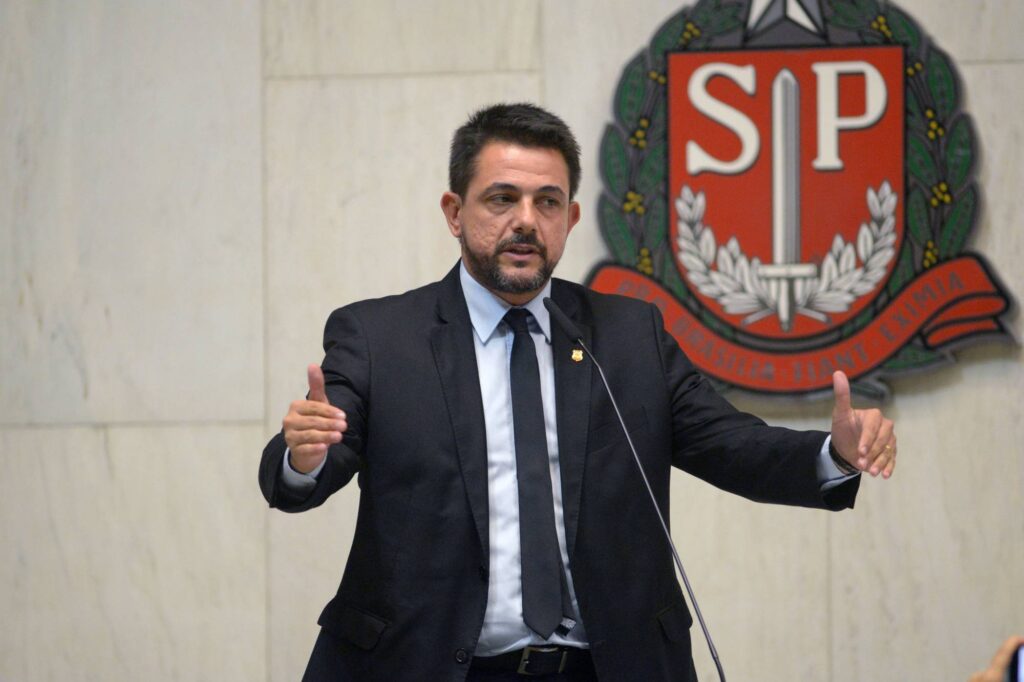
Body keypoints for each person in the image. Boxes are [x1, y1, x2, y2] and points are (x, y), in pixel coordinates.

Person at [259, 103, 898, 682]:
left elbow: (732, 445)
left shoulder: (628, 335)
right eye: (501, 199)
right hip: (425, 665)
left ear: (570, 218)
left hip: (605, 668)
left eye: (547, 202)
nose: (525, 221)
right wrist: (303, 457)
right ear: (454, 213)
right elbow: (311, 460)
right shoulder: (380, 337)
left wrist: (834, 454)